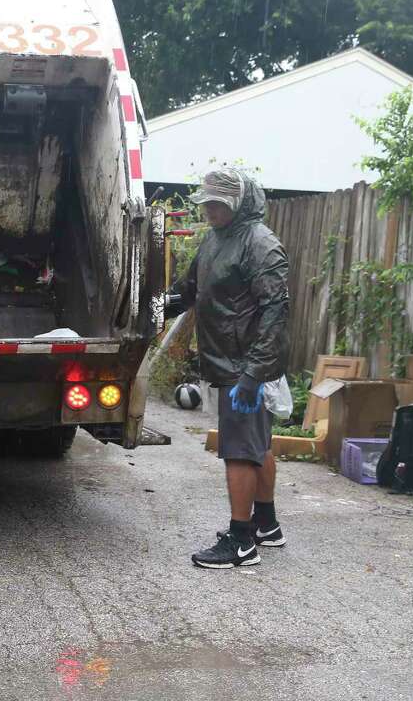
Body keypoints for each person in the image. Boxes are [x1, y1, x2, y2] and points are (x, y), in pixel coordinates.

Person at [166, 168, 290, 569]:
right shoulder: (215, 240)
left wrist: (254, 375)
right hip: (231, 361)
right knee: (259, 446)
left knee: (239, 451)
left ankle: (241, 542)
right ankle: (266, 524)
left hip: (245, 366)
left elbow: (276, 312)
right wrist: (152, 309)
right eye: (207, 202)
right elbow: (188, 291)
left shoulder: (260, 244)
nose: (210, 209)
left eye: (218, 203)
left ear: (238, 204)